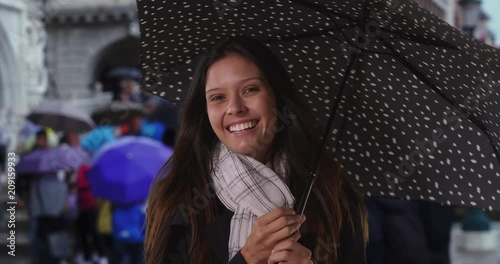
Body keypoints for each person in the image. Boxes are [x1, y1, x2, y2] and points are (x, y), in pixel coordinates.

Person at [145, 36, 368, 264]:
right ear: (205, 111)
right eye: (218, 97)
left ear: (277, 97)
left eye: (250, 89)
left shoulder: (331, 196)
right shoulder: (179, 200)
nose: (235, 108)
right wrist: (246, 259)